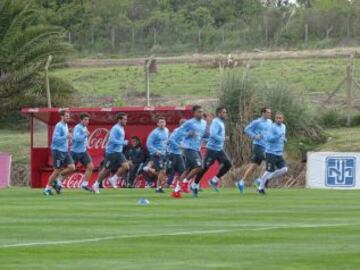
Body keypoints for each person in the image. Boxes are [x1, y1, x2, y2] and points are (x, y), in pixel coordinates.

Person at [192, 106, 232, 196]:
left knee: (228, 164)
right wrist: (223, 138)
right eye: (223, 112)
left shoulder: (221, 122)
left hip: (219, 149)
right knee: (204, 168)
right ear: (219, 114)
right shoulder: (216, 122)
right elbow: (213, 135)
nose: (225, 114)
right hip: (212, 149)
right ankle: (194, 185)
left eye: (225, 112)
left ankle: (213, 180)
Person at [235, 107, 272, 192]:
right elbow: (246, 129)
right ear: (263, 113)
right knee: (270, 160)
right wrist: (255, 136)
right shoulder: (257, 122)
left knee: (253, 166)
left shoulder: (270, 122)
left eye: (270, 113)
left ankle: (241, 181)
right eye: (268, 113)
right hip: (258, 146)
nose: (270, 114)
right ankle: (259, 180)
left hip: (266, 146)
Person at [92, 112, 129, 194]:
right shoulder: (116, 128)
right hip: (111, 152)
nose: (126, 121)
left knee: (126, 166)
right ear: (119, 120)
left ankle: (113, 179)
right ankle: (96, 184)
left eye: (126, 119)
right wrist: (122, 142)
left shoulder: (121, 127)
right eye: (124, 119)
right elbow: (111, 139)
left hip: (118, 152)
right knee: (106, 170)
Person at [177, 105, 208, 195]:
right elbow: (179, 132)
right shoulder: (189, 123)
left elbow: (201, 136)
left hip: (197, 148)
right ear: (194, 113)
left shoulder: (203, 123)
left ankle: (177, 189)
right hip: (189, 148)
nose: (201, 113)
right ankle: (185, 183)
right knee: (199, 167)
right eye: (199, 111)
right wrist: (187, 134)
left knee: (187, 170)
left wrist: (206, 140)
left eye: (202, 111)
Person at [43, 110, 75, 196]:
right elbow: (55, 140)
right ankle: (47, 189)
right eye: (66, 116)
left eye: (68, 116)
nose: (68, 117)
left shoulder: (65, 125)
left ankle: (57, 181)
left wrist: (68, 134)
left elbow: (64, 137)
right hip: (57, 151)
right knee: (57, 170)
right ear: (61, 116)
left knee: (72, 167)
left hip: (65, 150)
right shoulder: (59, 125)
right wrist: (66, 136)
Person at [258, 112, 288, 194]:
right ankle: (261, 188)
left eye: (280, 118)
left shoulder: (283, 127)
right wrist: (278, 136)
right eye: (277, 118)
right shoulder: (272, 127)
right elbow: (269, 139)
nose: (279, 119)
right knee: (269, 170)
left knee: (284, 169)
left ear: (283, 119)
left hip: (279, 153)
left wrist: (284, 139)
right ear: (275, 119)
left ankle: (267, 179)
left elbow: (282, 137)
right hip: (271, 152)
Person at [71, 113, 94, 191]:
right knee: (70, 169)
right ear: (81, 120)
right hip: (75, 152)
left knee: (90, 167)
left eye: (88, 120)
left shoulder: (84, 127)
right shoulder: (78, 127)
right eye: (85, 120)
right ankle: (58, 183)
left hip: (83, 151)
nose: (87, 121)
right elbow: (76, 138)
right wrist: (85, 135)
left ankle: (84, 185)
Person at [146, 117, 169, 193]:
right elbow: (149, 144)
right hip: (156, 154)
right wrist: (156, 151)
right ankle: (158, 188)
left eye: (163, 122)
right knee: (161, 170)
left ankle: (159, 186)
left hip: (164, 154)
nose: (162, 124)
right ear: (158, 124)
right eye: (161, 122)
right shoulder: (154, 133)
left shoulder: (166, 130)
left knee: (163, 171)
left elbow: (166, 142)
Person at [167, 118, 187, 198]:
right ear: (182, 124)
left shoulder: (184, 132)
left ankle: (177, 190)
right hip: (173, 154)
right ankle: (161, 187)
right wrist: (178, 146)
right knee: (170, 171)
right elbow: (170, 139)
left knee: (182, 172)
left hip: (179, 154)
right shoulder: (177, 131)